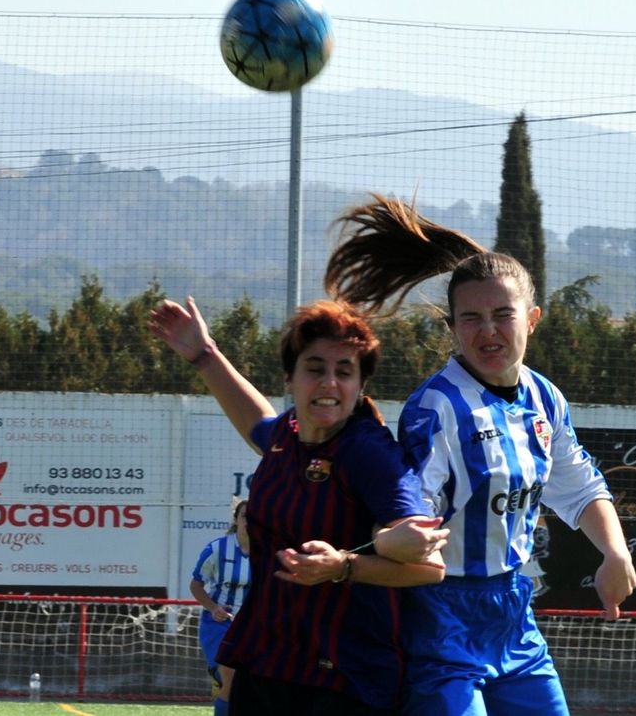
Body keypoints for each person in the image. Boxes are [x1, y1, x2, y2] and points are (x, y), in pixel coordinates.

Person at [325, 194, 636, 716]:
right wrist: (374, 549)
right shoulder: (436, 408)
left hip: (514, 612)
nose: (487, 331)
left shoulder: (545, 397)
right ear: (451, 327)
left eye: (502, 315)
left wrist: (615, 552)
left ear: (532, 319)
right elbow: (409, 514)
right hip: (441, 615)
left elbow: (580, 487)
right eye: (470, 318)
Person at [149, 297, 447, 715]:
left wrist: (343, 565)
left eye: (345, 372)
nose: (329, 383)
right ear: (290, 377)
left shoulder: (369, 452)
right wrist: (204, 355)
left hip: (344, 678)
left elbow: (429, 567)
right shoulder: (284, 436)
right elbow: (257, 423)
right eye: (315, 369)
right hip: (269, 662)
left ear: (361, 386)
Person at [189, 498, 251, 716]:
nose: (250, 521)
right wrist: (213, 607)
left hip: (254, 627)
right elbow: (196, 585)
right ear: (236, 520)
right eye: (245, 516)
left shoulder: (268, 553)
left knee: (255, 686)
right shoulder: (217, 549)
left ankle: (219, 683)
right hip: (220, 623)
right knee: (231, 679)